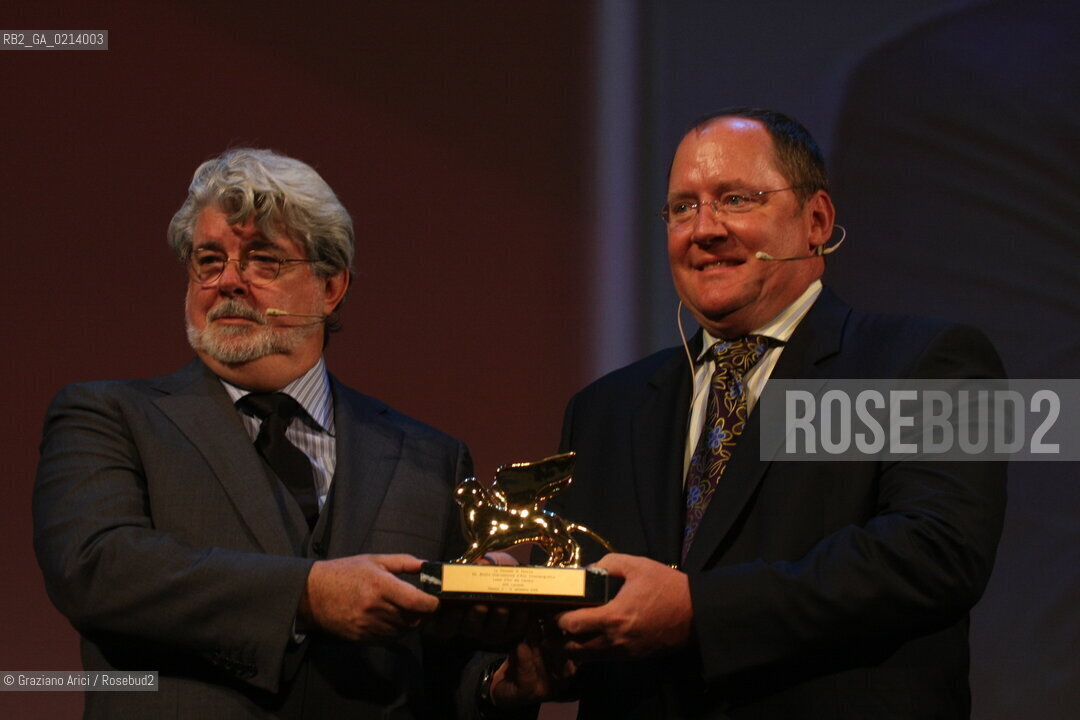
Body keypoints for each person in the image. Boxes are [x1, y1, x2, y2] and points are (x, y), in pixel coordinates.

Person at [482, 109, 1007, 718]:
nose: (704, 229)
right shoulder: (606, 408)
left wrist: (698, 610)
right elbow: (588, 613)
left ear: (816, 220)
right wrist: (508, 596)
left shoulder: (930, 360)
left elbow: (939, 553)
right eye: (682, 207)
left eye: (736, 199)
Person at [33, 149, 473, 718]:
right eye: (209, 261)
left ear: (331, 286)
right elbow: (96, 566)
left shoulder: (431, 458)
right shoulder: (108, 417)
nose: (229, 283)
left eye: (264, 261)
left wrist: (502, 684)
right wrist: (307, 594)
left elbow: (449, 667)